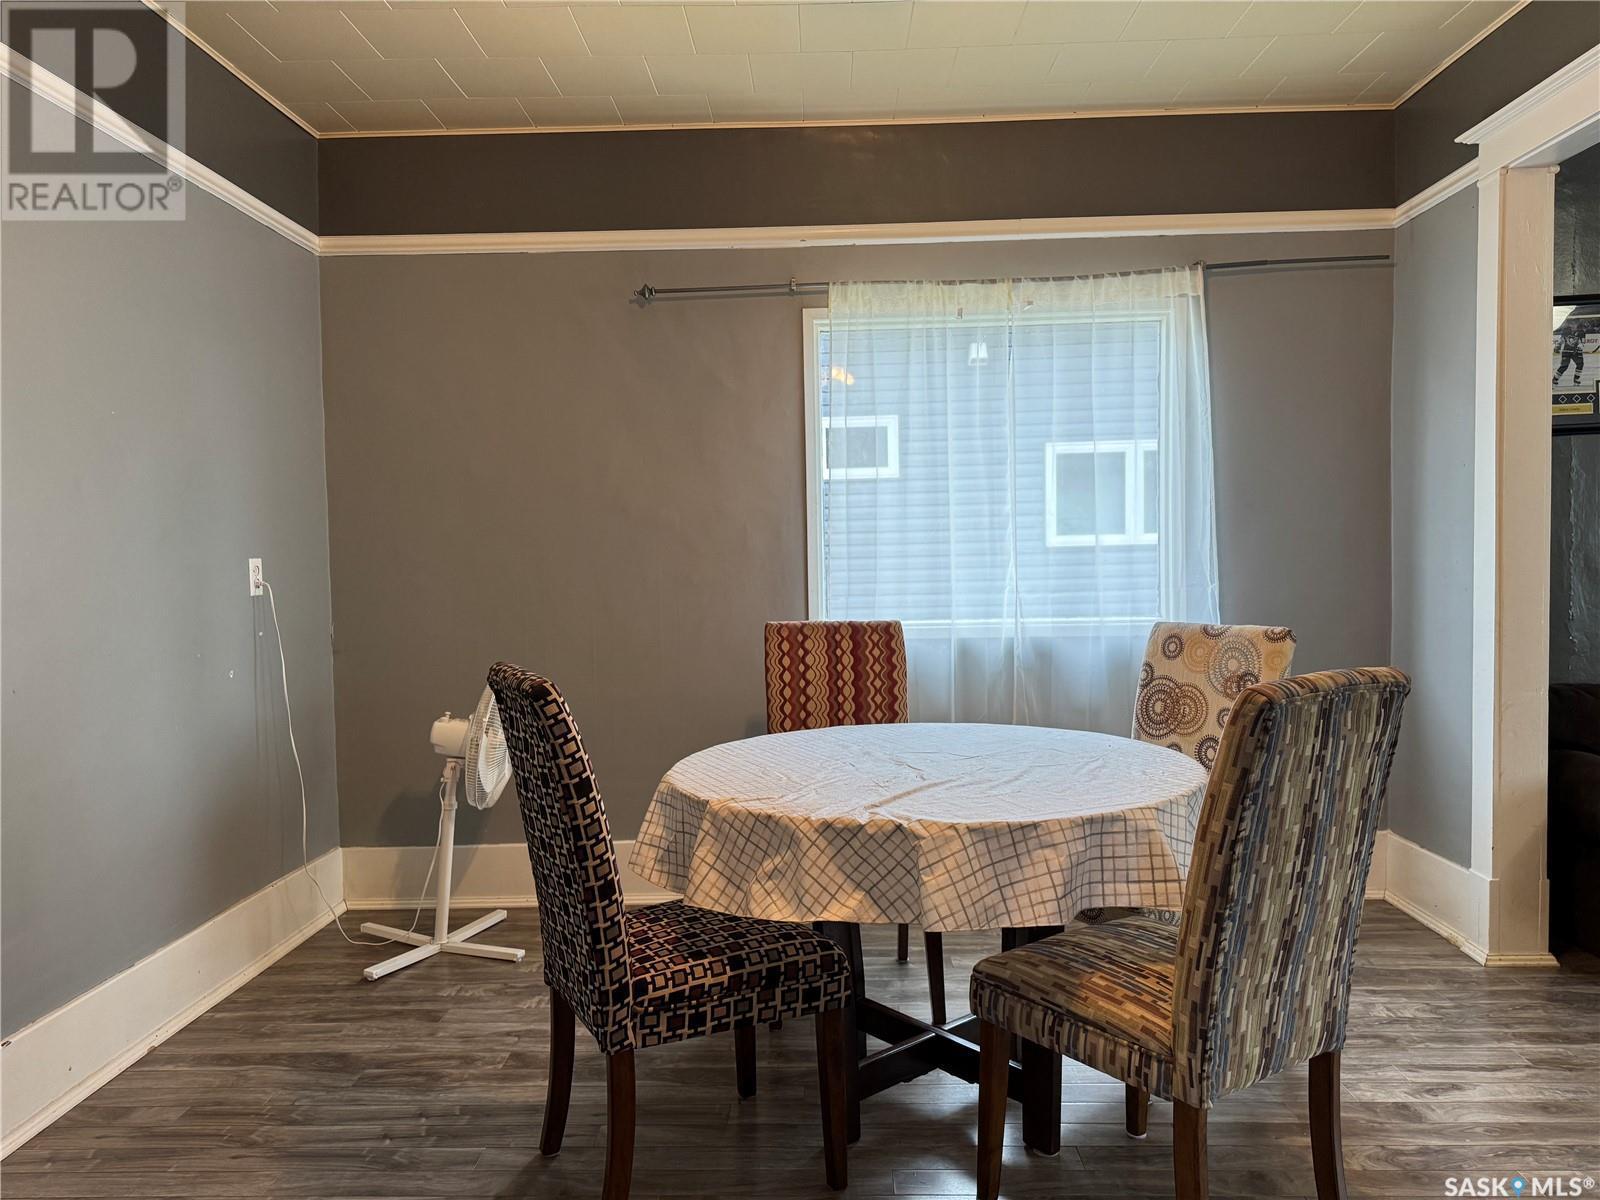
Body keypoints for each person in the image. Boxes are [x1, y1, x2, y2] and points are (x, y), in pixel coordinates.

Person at [1554, 323, 1586, 388]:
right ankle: (1555, 379)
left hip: (1575, 352)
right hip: (1567, 352)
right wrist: (1557, 347)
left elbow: (1581, 342)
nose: (1573, 326)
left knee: (1580, 364)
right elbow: (1560, 340)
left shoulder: (1580, 332)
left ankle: (1576, 379)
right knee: (1564, 366)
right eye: (1572, 324)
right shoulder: (1566, 332)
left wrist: (1580, 347)